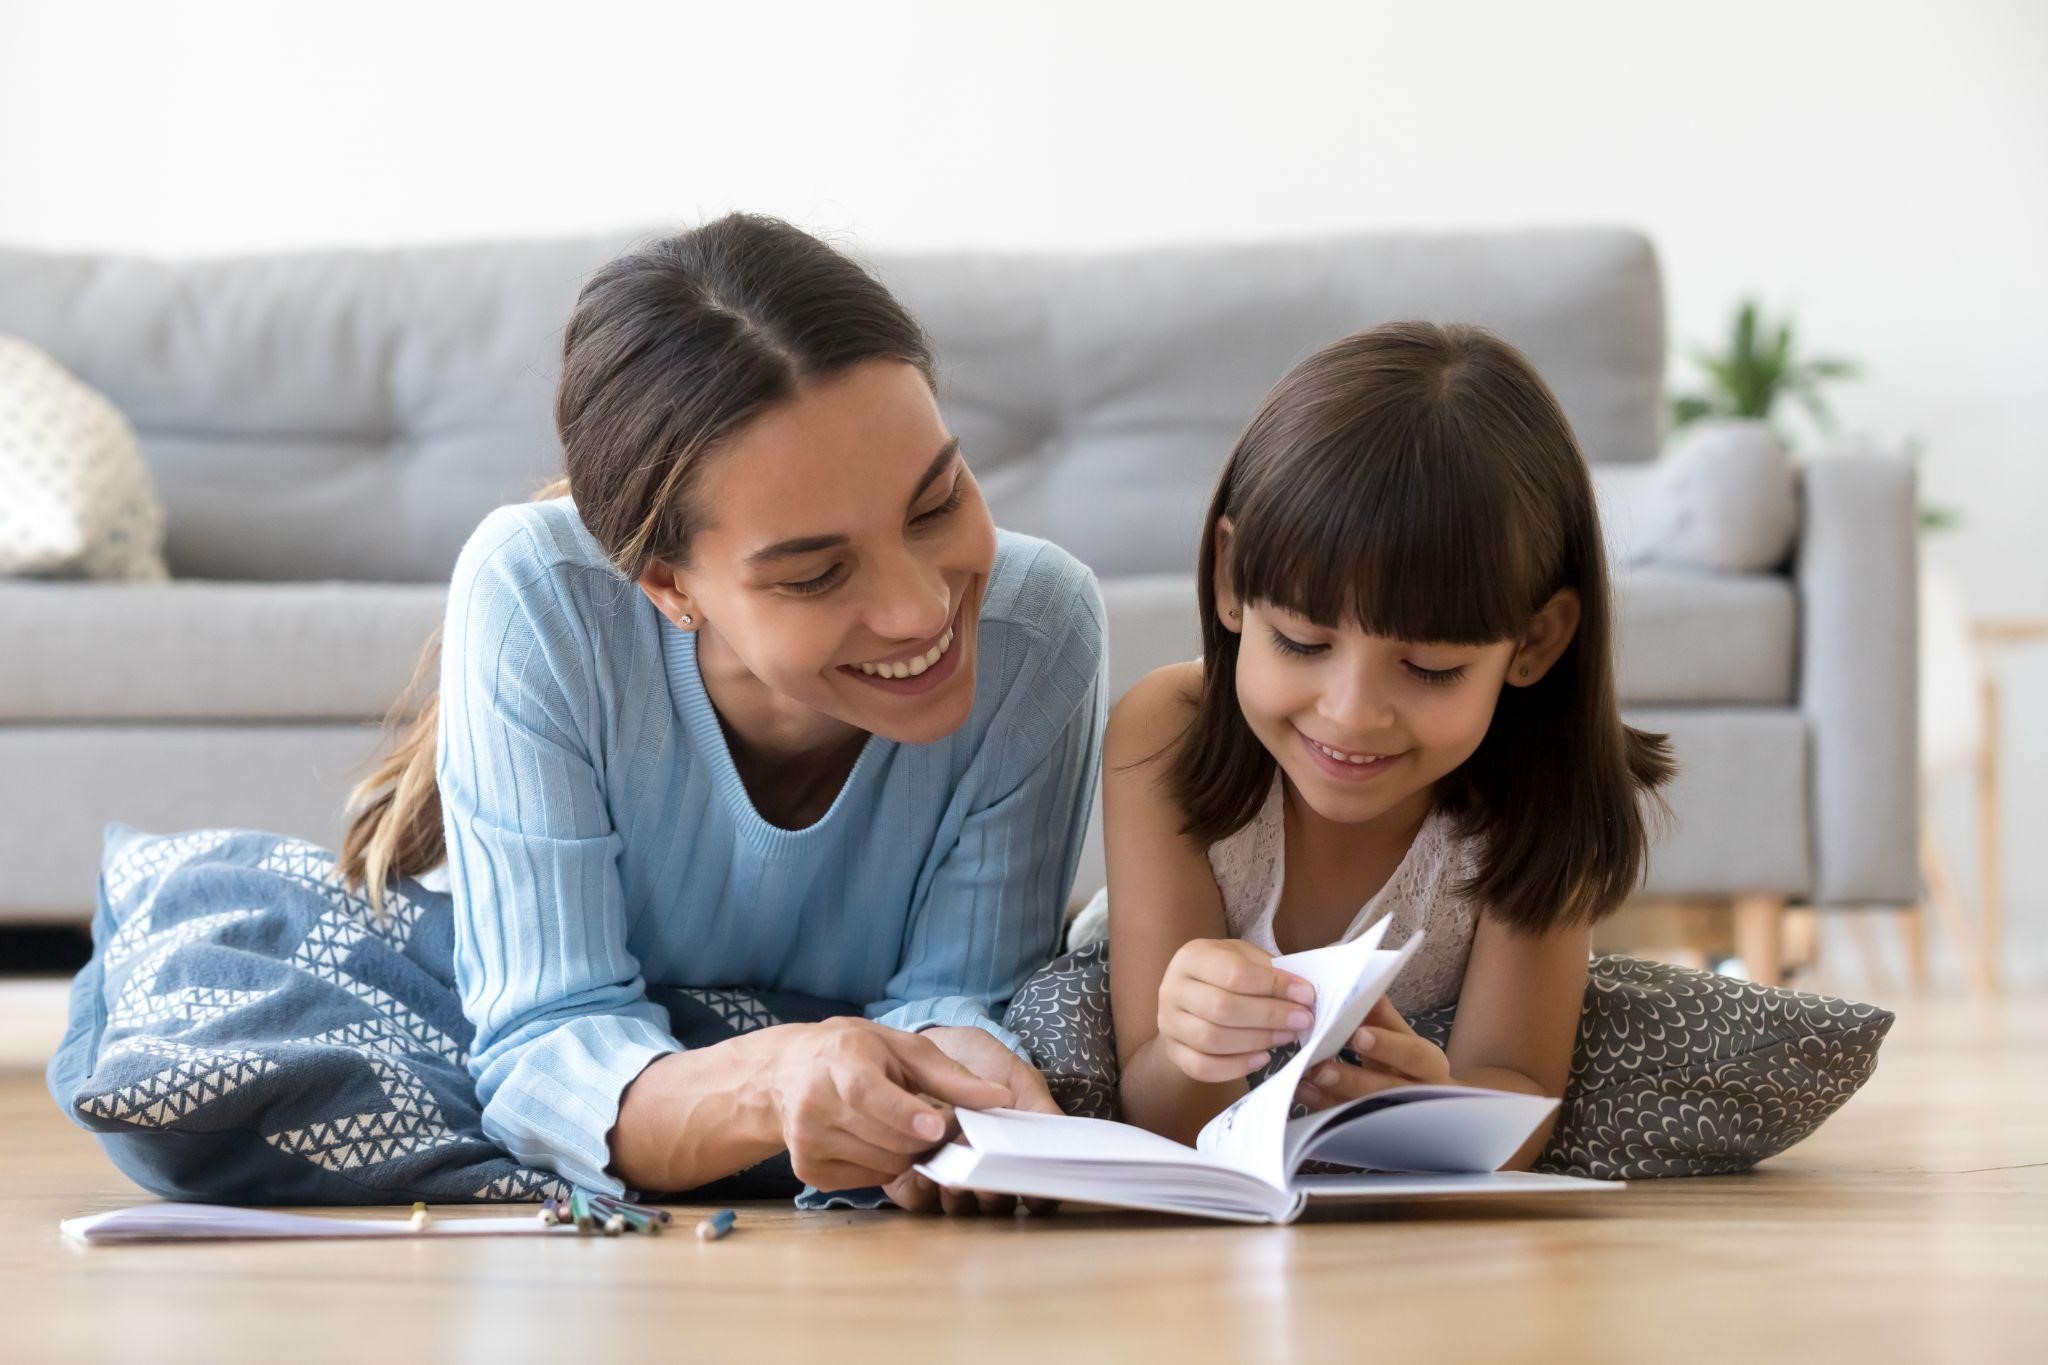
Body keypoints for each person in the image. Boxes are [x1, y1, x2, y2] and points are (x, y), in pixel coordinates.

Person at [340, 214, 1105, 1212]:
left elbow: (958, 994)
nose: (923, 608)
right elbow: (544, 1043)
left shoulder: (1036, 628)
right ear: (669, 586)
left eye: (936, 502)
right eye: (818, 572)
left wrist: (949, 1073)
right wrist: (776, 1078)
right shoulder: (538, 598)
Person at [1102, 322, 1672, 1165]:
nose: (1352, 713)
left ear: (1534, 643)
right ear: (1231, 581)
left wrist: (1429, 1107)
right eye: (1300, 641)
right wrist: (1194, 1047)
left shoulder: (1544, 797)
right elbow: (1154, 1110)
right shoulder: (1169, 732)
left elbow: (1516, 1092)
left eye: (1430, 667)